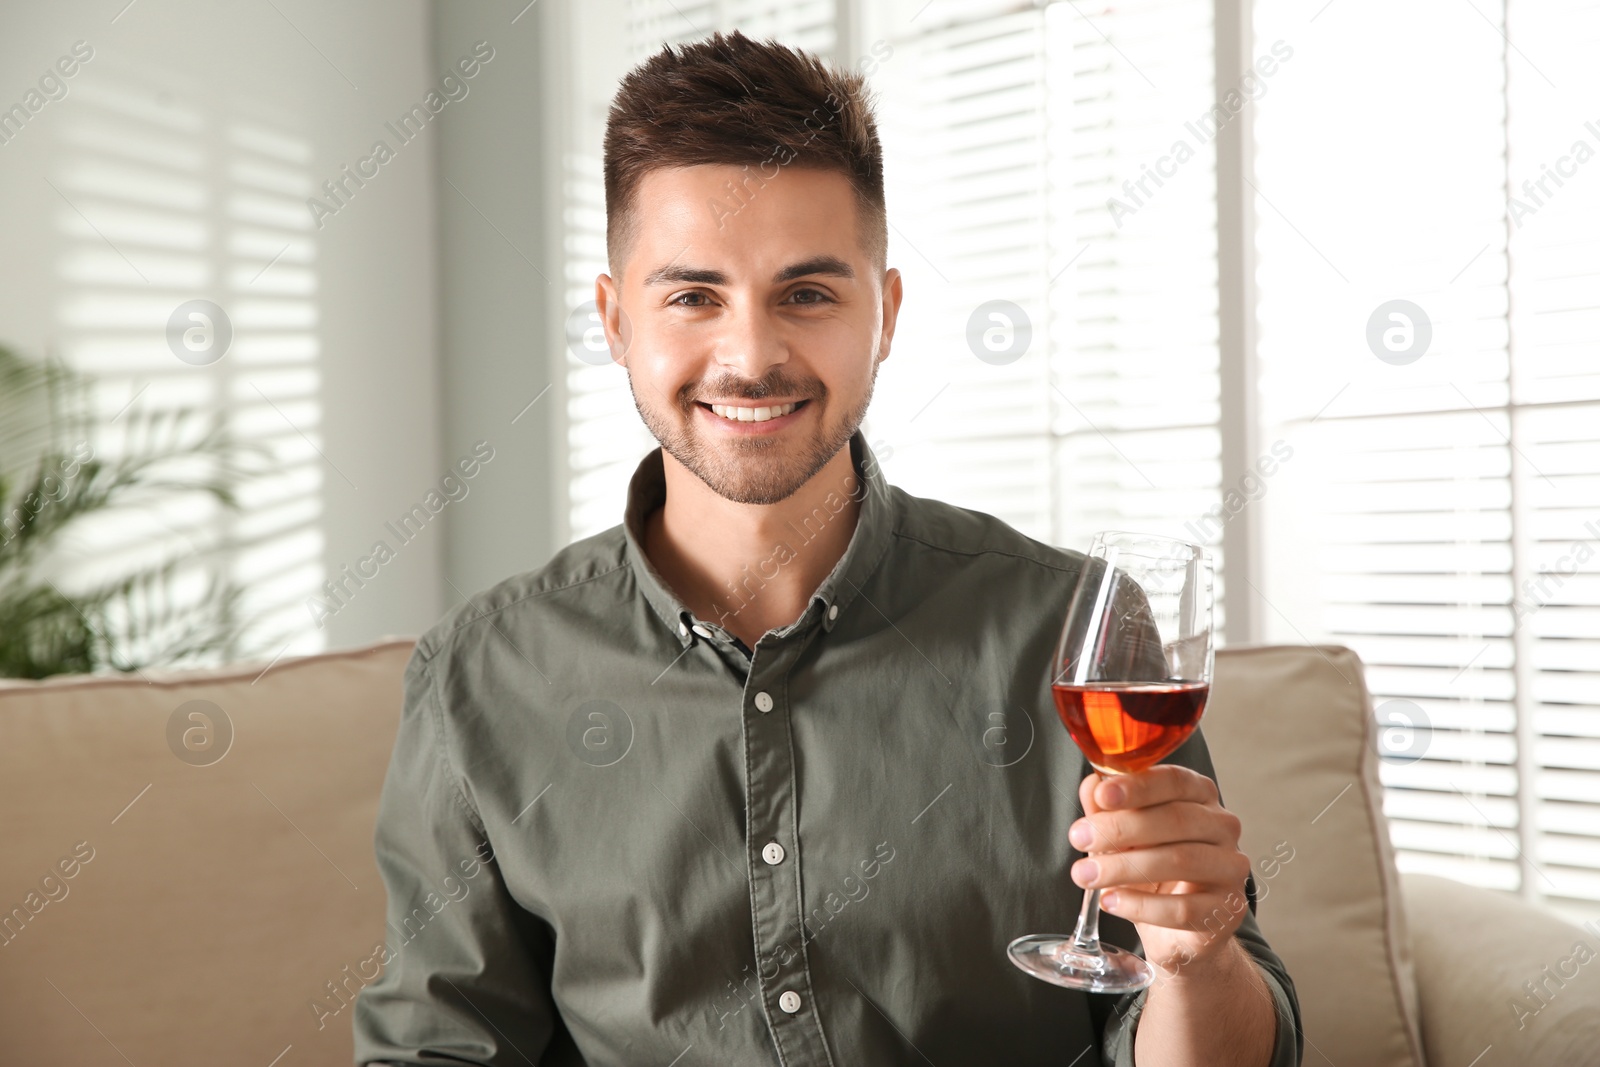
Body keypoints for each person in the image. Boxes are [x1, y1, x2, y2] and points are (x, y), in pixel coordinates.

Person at [353, 29, 1302, 1067]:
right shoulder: (478, 677)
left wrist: (1195, 953)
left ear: (884, 313)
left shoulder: (1070, 630)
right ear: (615, 318)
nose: (752, 355)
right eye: (691, 296)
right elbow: (436, 1047)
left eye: (807, 293)